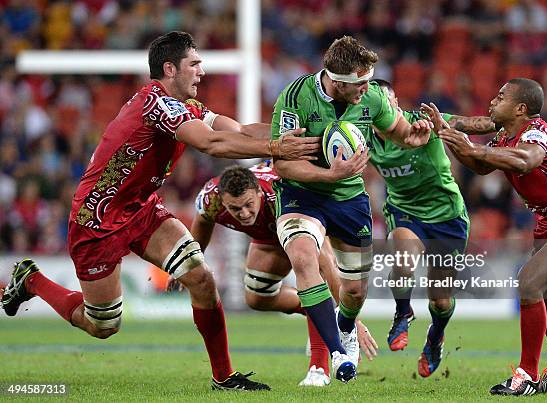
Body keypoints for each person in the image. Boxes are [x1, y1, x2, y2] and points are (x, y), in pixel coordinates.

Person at [0, 31, 321, 391]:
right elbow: (211, 143)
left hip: (142, 210)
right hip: (97, 220)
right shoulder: (157, 104)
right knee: (102, 326)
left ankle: (224, 378)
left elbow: (241, 131)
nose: (202, 71)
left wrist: (304, 137)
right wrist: (277, 148)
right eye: (194, 64)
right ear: (170, 68)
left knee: (201, 278)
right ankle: (31, 280)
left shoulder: (187, 107)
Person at [270, 35, 432, 382]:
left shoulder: (371, 96)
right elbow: (282, 165)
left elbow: (399, 130)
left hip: (349, 197)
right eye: (359, 83)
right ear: (337, 80)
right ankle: (337, 351)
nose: (367, 87)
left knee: (355, 290)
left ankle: (345, 326)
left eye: (369, 80)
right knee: (302, 256)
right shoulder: (295, 98)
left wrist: (413, 136)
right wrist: (330, 173)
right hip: (302, 193)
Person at [435, 78, 547, 396]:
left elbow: (524, 160)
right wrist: (454, 139)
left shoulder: (535, 133)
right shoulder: (505, 135)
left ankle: (525, 373)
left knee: (529, 282)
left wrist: (470, 146)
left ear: (520, 108)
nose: (492, 101)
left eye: (500, 97)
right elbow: (481, 166)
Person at [172, 162, 378, 386]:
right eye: (235, 209)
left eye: (249, 204)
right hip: (267, 240)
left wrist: (350, 318)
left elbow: (325, 263)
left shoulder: (280, 195)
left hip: (302, 224)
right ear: (223, 202)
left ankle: (319, 369)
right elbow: (202, 224)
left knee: (311, 279)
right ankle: (317, 312)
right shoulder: (209, 199)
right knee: (257, 299)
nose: (244, 213)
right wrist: (189, 264)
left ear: (259, 193)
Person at [370, 79, 470, 378]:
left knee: (440, 300)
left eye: (388, 103)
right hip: (405, 212)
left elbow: (469, 124)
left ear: (396, 103)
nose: (384, 110)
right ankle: (403, 312)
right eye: (376, 105)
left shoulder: (422, 122)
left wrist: (504, 122)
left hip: (447, 215)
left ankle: (435, 337)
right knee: (403, 259)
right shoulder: (360, 133)